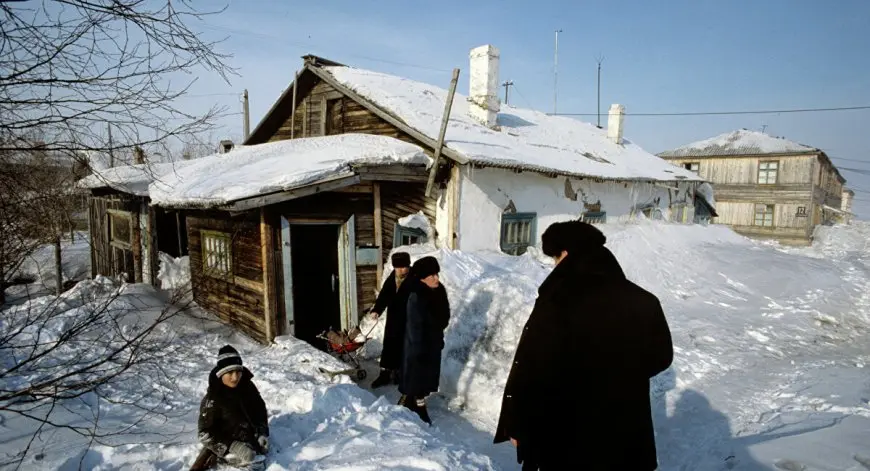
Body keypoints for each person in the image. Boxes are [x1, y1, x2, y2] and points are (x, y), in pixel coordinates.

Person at [493, 221, 673, 470]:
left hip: (564, 435)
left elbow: (532, 368)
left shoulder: (557, 301)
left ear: (566, 253)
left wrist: (518, 423)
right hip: (623, 435)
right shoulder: (643, 301)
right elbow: (662, 357)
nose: (554, 266)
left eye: (555, 258)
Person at [190, 345, 270, 471]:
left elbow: (260, 409)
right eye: (229, 373)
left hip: (249, 437)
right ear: (221, 373)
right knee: (249, 461)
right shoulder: (213, 399)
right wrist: (233, 446)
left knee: (258, 460)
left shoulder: (247, 386)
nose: (235, 377)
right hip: (226, 442)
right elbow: (204, 433)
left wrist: (262, 432)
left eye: (238, 371)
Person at [398, 256, 450, 425]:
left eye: (436, 274)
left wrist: (438, 334)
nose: (436, 278)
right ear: (422, 278)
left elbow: (443, 316)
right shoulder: (417, 296)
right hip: (418, 345)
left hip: (432, 342)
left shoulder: (438, 291)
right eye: (432, 276)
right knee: (418, 377)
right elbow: (415, 326)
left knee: (427, 377)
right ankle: (417, 405)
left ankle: (410, 399)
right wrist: (418, 350)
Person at [369, 252, 413, 388]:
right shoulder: (392, 278)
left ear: (408, 265)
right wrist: (377, 309)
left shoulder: (415, 279)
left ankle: (401, 374)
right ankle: (385, 374)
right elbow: (384, 295)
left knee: (405, 347)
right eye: (397, 267)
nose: (400, 270)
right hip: (394, 318)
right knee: (389, 345)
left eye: (403, 267)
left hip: (409, 319)